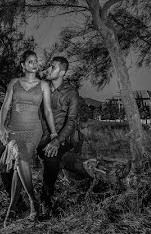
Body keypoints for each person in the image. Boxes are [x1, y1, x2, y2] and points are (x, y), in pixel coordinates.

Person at [0, 50, 58, 221]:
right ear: (23, 65)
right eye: (30, 61)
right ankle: (26, 203)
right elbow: (5, 106)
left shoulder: (43, 85)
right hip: (14, 130)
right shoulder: (14, 83)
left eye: (35, 61)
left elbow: (47, 110)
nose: (34, 64)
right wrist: (1, 127)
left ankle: (19, 205)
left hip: (34, 131)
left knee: (20, 162)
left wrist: (53, 132)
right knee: (20, 160)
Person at [37, 55, 85, 210]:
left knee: (51, 156)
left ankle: (46, 201)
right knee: (3, 154)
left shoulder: (71, 93)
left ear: (63, 72)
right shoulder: (41, 89)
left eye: (53, 67)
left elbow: (71, 121)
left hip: (61, 138)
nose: (49, 69)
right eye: (49, 66)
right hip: (39, 136)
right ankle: (16, 203)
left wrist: (57, 141)